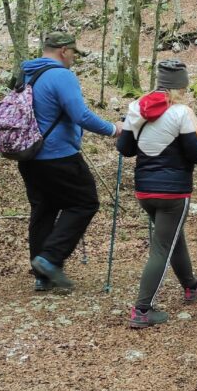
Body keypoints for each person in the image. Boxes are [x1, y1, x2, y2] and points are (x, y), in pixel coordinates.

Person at [117, 61, 197, 328]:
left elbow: (125, 148)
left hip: (144, 191)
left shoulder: (136, 108)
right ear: (180, 86)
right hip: (173, 193)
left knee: (172, 236)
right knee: (162, 246)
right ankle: (142, 310)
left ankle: (191, 285)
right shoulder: (182, 113)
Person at [19, 32, 122, 291]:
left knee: (44, 210)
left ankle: (43, 276)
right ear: (63, 50)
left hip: (29, 155)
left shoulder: (26, 73)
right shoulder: (61, 76)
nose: (74, 59)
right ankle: (50, 259)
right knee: (85, 202)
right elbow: (80, 115)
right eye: (74, 53)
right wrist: (112, 129)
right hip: (59, 156)